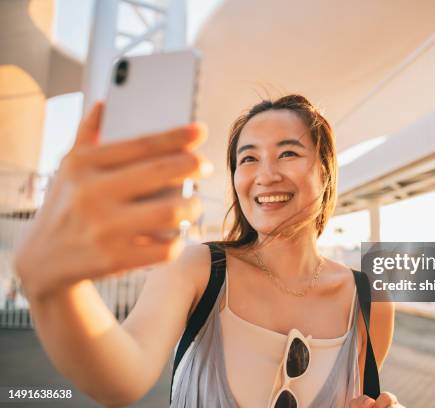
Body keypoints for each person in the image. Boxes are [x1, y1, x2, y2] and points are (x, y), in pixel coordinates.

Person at [15, 95, 401, 407]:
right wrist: (57, 288)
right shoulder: (198, 267)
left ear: (325, 171)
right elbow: (120, 377)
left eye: (288, 153)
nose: (265, 175)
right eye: (248, 158)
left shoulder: (369, 301)